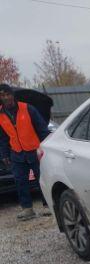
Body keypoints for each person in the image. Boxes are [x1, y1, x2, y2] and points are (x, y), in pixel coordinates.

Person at [0, 84, 50, 221]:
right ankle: (27, 209)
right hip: (16, 153)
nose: (6, 97)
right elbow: (3, 137)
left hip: (34, 149)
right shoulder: (0, 115)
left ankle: (47, 205)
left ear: (12, 95)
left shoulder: (27, 108)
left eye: (8, 94)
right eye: (2, 95)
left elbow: (42, 129)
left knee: (42, 178)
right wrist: (4, 154)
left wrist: (45, 146)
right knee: (20, 181)